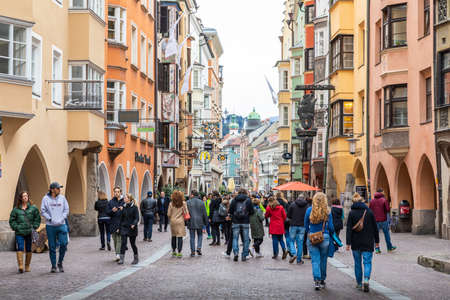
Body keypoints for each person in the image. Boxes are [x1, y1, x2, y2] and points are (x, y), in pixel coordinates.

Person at [346, 193, 380, 292]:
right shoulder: (369, 212)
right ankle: (366, 279)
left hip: (355, 242)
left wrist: (348, 243)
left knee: (357, 263)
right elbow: (375, 228)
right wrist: (377, 241)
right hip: (368, 241)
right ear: (362, 201)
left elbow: (349, 229)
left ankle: (359, 283)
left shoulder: (351, 213)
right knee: (367, 262)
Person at [304, 192, 334, 291]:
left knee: (315, 260)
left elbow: (305, 225)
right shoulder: (328, 211)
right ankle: (322, 279)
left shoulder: (309, 210)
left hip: (312, 236)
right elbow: (331, 227)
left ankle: (316, 279)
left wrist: (309, 231)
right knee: (323, 259)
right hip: (324, 236)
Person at [41, 182, 69, 273]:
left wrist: (62, 218)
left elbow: (66, 209)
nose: (59, 190)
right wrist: (49, 218)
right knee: (52, 247)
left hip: (62, 225)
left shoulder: (62, 198)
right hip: (50, 226)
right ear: (52, 190)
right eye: (58, 188)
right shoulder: (45, 199)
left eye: (59, 188)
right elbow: (43, 211)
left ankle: (60, 262)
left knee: (64, 244)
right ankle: (53, 265)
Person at [9, 191, 41, 273]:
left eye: (26, 196)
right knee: (20, 247)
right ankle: (20, 266)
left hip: (29, 232)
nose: (25, 197)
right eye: (24, 196)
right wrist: (16, 227)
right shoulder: (16, 210)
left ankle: (27, 266)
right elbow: (12, 220)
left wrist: (34, 226)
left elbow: (37, 218)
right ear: (21, 198)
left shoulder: (33, 208)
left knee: (28, 249)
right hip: (19, 232)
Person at [228, 189, 254, 262]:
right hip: (245, 222)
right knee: (246, 239)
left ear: (238, 193)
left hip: (235, 221)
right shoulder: (248, 200)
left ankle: (236, 253)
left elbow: (230, 211)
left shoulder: (234, 200)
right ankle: (244, 255)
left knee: (235, 238)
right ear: (246, 193)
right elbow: (252, 212)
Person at [369, 189, 397, 253]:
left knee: (375, 235)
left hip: (375, 220)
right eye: (383, 192)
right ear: (381, 193)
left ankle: (377, 249)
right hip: (384, 219)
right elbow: (387, 209)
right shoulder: (384, 200)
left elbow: (370, 210)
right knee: (386, 234)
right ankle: (389, 247)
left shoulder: (372, 201)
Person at [118, 194, 139, 265]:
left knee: (132, 244)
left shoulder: (135, 207)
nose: (124, 199)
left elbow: (137, 218)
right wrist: (119, 227)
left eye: (125, 198)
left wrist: (134, 224)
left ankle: (136, 258)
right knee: (123, 243)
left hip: (132, 228)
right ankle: (121, 259)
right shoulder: (123, 207)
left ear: (129, 199)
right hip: (124, 227)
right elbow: (121, 218)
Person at [287, 194, 308, 264]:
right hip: (302, 226)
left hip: (293, 225)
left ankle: (293, 253)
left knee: (291, 241)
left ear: (298, 198)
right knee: (300, 243)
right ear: (304, 198)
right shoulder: (307, 206)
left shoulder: (293, 205)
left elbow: (288, 216)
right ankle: (299, 260)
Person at [187, 190, 208, 257]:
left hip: (191, 221)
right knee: (200, 235)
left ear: (192, 195)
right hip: (200, 221)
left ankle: (193, 251)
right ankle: (199, 247)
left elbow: (186, 213)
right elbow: (204, 213)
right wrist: (206, 222)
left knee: (192, 237)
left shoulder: (188, 202)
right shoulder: (201, 202)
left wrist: (186, 222)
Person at [167, 191, 187, 258]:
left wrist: (171, 217)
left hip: (173, 221)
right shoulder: (183, 203)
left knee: (173, 236)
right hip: (180, 221)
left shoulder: (171, 204)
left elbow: (168, 214)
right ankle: (179, 252)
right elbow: (186, 212)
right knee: (180, 236)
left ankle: (173, 251)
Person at [108, 187, 124, 261]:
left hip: (121, 223)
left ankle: (118, 254)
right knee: (114, 239)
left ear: (120, 192)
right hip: (113, 223)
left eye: (118, 192)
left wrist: (123, 210)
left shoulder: (124, 201)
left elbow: (128, 212)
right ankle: (117, 253)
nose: (116, 193)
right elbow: (107, 212)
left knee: (119, 239)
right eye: (115, 192)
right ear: (113, 192)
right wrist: (112, 211)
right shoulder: (111, 202)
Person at [277, 192, 294, 257]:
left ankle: (281, 250)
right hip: (286, 221)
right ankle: (289, 249)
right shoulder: (285, 202)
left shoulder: (275, 203)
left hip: (278, 222)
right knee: (287, 236)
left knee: (279, 238)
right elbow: (289, 212)